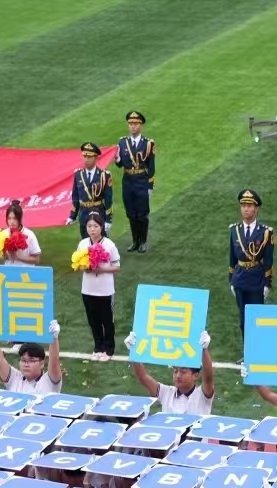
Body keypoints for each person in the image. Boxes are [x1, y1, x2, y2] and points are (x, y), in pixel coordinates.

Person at [126, 329, 214, 413]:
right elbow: (143, 377)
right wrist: (134, 351)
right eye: (175, 371)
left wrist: (204, 350)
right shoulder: (166, 393)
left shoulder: (202, 395)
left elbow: (208, 378)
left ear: (195, 375)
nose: (178, 375)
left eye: (183, 372)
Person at [228, 188, 273, 337]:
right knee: (243, 319)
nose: (246, 209)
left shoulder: (265, 232)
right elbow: (232, 258)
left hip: (256, 279)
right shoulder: (235, 230)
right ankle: (247, 352)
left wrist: (267, 283)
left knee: (257, 318)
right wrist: (231, 280)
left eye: (249, 206)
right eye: (243, 206)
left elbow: (268, 259)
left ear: (256, 209)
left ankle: (257, 352)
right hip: (240, 279)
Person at [76, 210, 121, 360]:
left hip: (105, 290)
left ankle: (109, 349)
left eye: (95, 226)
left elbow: (116, 267)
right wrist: (84, 267)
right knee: (93, 319)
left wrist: (101, 269)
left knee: (106, 320)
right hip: (88, 289)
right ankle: (98, 346)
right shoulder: (83, 244)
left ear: (101, 227)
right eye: (89, 226)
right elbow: (77, 264)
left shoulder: (109, 245)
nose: (92, 229)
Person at [0, 320, 63, 394]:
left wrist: (54, 338)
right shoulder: (15, 378)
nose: (26, 364)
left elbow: (54, 360)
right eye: (23, 360)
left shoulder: (49, 381)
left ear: (41, 363)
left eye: (32, 361)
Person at [114, 110, 154, 253]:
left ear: (141, 125)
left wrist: (150, 186)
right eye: (131, 123)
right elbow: (119, 164)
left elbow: (151, 166)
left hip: (142, 181)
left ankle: (143, 241)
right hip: (128, 181)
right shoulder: (122, 142)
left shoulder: (148, 143)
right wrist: (117, 159)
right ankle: (135, 241)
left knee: (142, 213)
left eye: (136, 123)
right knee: (131, 213)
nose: (133, 126)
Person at [67, 141, 112, 239]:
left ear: (96, 158)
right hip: (84, 214)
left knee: (100, 244)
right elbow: (75, 197)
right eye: (84, 156)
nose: (86, 159)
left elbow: (108, 200)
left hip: (99, 213)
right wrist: (72, 216)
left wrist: (108, 220)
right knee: (85, 243)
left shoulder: (104, 175)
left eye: (89, 157)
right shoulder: (78, 175)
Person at [0, 201, 41, 265]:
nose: (11, 222)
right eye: (9, 218)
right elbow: (2, 257)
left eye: (15, 218)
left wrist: (21, 257)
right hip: (9, 272)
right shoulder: (4, 234)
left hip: (25, 273)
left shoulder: (30, 235)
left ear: (20, 218)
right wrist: (5, 254)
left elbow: (37, 260)